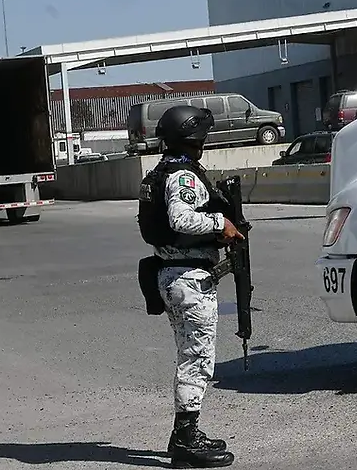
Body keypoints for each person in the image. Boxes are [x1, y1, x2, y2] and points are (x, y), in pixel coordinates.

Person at [136, 104, 244, 468]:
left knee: (190, 356)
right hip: (188, 280)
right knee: (196, 359)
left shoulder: (161, 171)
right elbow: (180, 218)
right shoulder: (183, 176)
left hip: (173, 274)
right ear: (194, 137)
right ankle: (185, 439)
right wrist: (220, 224)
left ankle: (184, 434)